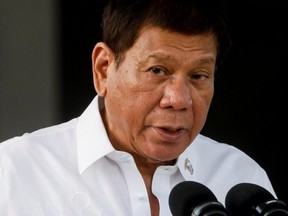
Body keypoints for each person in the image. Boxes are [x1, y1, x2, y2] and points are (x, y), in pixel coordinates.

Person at [0, 0, 278, 215]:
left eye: (198, 76)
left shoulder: (241, 179)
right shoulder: (16, 173)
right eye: (157, 70)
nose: (178, 99)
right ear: (104, 69)